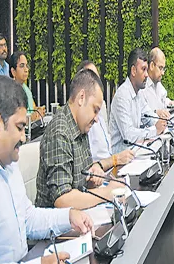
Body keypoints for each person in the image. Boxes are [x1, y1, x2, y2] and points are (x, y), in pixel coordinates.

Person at [0, 76, 93, 264]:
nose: (23, 137)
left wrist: (69, 217)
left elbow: (27, 219)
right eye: (19, 127)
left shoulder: (6, 166)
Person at [35, 69, 124, 209]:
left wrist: (92, 180)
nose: (96, 119)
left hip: (79, 218)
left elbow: (80, 183)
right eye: (95, 110)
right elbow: (62, 200)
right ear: (81, 97)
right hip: (59, 227)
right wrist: (107, 193)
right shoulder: (60, 133)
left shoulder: (80, 127)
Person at [77, 61, 134, 169]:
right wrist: (114, 160)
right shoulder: (82, 120)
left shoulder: (100, 108)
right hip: (101, 172)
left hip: (110, 168)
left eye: (97, 78)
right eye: (91, 79)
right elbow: (86, 169)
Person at [109, 48, 167, 153]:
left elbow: (148, 116)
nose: (146, 74)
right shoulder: (122, 96)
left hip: (135, 152)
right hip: (120, 161)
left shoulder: (138, 93)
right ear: (133, 71)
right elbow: (129, 135)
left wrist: (161, 124)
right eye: (143, 69)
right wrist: (154, 130)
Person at [7, 50, 45, 121]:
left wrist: (39, 111)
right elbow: (15, 121)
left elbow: (32, 109)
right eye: (22, 66)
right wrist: (31, 118)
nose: (26, 69)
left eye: (26, 66)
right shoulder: (10, 92)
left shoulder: (26, 89)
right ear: (13, 71)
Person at [141, 47, 174, 117]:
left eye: (164, 69)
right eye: (160, 68)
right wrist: (156, 112)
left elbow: (162, 100)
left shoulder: (158, 84)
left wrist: (170, 103)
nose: (163, 73)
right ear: (152, 65)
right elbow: (142, 114)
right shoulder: (142, 86)